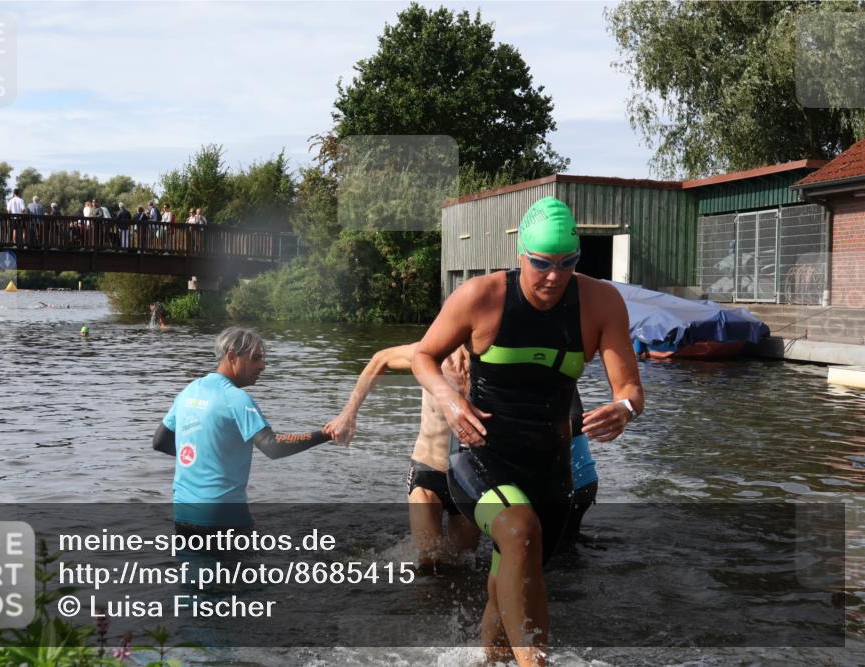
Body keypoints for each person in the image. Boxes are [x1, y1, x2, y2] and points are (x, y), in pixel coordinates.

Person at [412, 196, 643, 667]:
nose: (553, 276)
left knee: (509, 580)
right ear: (521, 256)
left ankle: (489, 659)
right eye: (541, 264)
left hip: (551, 468)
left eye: (567, 263)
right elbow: (422, 356)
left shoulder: (600, 302)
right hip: (481, 457)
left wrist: (623, 410)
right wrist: (452, 401)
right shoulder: (482, 296)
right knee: (518, 531)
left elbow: (631, 390)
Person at [152, 327, 335, 531]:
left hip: (184, 512)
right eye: (255, 358)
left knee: (194, 563)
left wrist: (204, 459)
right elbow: (273, 447)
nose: (262, 366)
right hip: (224, 516)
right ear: (232, 357)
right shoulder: (236, 398)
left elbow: (160, 441)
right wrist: (325, 434)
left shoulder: (190, 389)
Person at [326, 344, 480, 569]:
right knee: (429, 561)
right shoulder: (431, 354)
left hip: (469, 475)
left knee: (463, 563)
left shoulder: (494, 367)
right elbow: (381, 358)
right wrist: (348, 414)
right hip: (429, 469)